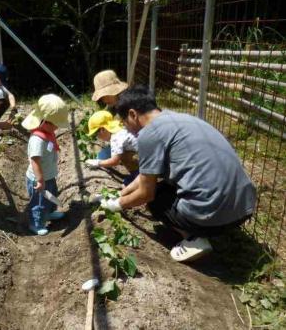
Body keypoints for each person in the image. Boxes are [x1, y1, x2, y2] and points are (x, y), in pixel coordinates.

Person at [99, 85, 257, 262]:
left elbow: (146, 193)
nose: (127, 129)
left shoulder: (148, 134)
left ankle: (194, 237)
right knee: (165, 185)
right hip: (245, 207)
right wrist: (120, 194)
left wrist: (116, 205)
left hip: (213, 214)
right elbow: (145, 176)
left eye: (125, 122)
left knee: (156, 200)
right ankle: (214, 226)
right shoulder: (182, 119)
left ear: (133, 114)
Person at [22, 94, 69, 235]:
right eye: (56, 125)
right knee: (39, 202)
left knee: (51, 196)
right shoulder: (37, 140)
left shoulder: (47, 134)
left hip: (48, 175)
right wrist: (40, 180)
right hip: (39, 179)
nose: (57, 128)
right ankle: (36, 223)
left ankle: (48, 214)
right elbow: (35, 160)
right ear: (45, 122)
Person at [84, 110, 139, 185]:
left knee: (122, 156)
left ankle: (138, 177)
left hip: (146, 161)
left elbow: (115, 161)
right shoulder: (121, 128)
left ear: (103, 129)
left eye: (96, 134)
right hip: (148, 152)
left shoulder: (115, 138)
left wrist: (98, 163)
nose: (97, 137)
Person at [90, 70, 128, 160]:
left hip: (135, 143)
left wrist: (110, 136)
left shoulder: (127, 105)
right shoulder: (112, 106)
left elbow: (128, 132)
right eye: (102, 97)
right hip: (122, 141)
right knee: (101, 156)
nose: (104, 99)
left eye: (106, 94)